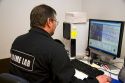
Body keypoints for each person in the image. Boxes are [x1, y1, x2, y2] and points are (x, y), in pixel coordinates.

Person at [9, 4, 111, 83]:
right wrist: (96, 81)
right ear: (49, 22)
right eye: (55, 22)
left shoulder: (17, 41)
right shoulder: (54, 48)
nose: (55, 25)